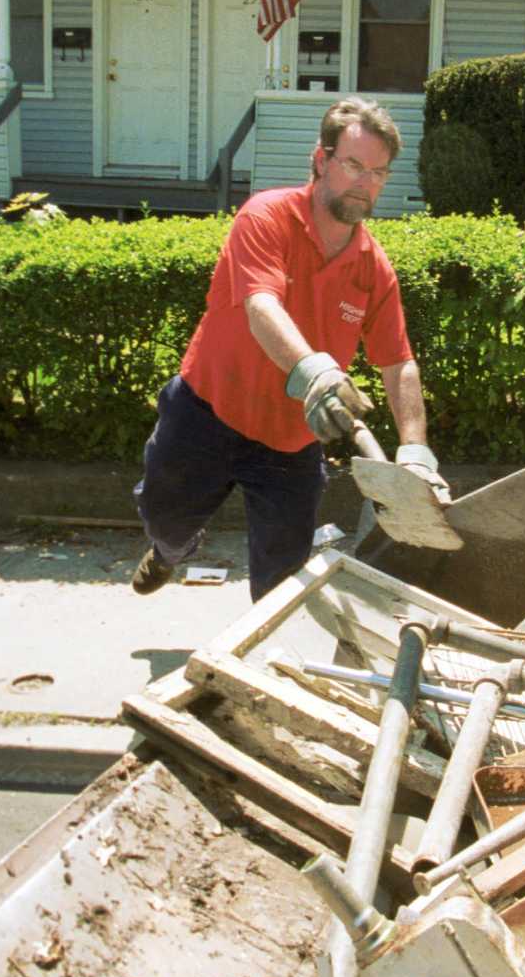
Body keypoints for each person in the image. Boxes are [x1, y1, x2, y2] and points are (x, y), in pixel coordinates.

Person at [132, 97, 446, 602]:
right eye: (354, 165)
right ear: (321, 160)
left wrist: (414, 450)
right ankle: (171, 551)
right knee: (165, 522)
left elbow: (398, 362)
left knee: (280, 588)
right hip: (207, 412)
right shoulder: (267, 217)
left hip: (290, 442)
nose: (366, 183)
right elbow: (261, 306)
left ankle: (263, 669)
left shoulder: (373, 267)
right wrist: (315, 372)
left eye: (379, 172)